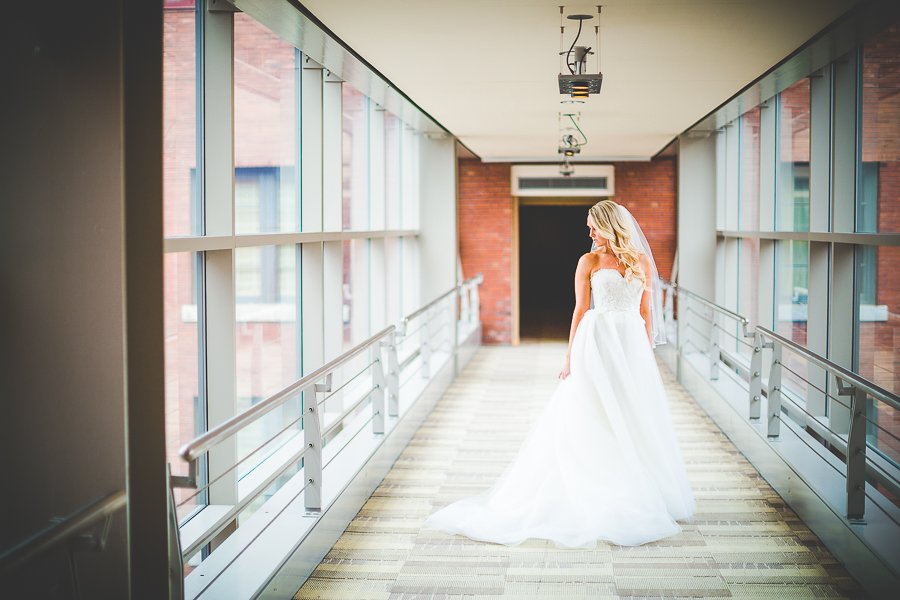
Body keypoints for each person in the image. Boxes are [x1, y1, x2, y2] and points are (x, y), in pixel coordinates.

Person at [423, 199, 695, 548]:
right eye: (589, 228)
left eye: (594, 227)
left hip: (629, 343)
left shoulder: (640, 261)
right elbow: (580, 310)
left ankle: (636, 484)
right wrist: (569, 357)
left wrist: (644, 356)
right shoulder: (589, 261)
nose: (590, 233)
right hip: (596, 341)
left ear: (609, 226)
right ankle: (595, 482)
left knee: (631, 411)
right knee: (592, 408)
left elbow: (645, 313)